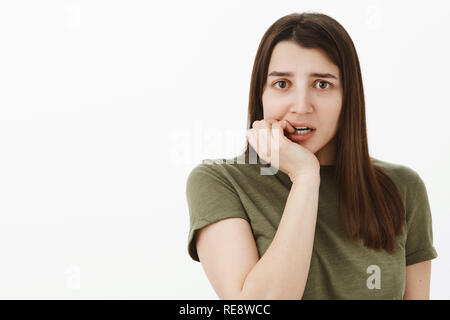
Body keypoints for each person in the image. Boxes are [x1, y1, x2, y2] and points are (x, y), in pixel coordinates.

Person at [185, 12, 438, 300]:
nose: (301, 106)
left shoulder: (403, 187)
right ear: (261, 95)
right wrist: (305, 177)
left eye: (322, 84)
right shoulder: (221, 182)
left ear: (348, 97)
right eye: (282, 84)